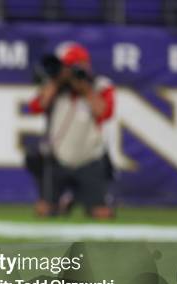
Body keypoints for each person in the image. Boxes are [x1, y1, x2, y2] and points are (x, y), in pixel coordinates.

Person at [28, 43, 115, 219]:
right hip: (58, 158)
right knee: (43, 212)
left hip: (89, 158)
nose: (67, 71)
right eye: (63, 66)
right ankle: (61, 202)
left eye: (71, 66)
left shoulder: (100, 85)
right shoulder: (54, 87)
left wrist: (84, 88)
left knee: (101, 214)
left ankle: (75, 199)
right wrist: (55, 82)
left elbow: (104, 112)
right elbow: (36, 106)